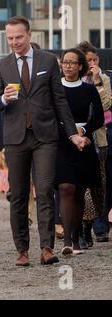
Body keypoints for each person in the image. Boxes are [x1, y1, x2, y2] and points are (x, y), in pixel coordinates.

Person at [0, 16, 88, 266]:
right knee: (19, 195)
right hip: (15, 138)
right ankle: (22, 250)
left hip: (45, 136)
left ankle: (47, 248)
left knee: (44, 191)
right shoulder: (1, 65)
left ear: (29, 35)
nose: (14, 42)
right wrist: (3, 99)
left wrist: (72, 133)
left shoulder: (47, 61)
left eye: (18, 37)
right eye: (10, 38)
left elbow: (59, 100)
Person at [57, 48, 104, 255]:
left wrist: (83, 131)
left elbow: (99, 118)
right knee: (66, 187)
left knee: (79, 192)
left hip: (84, 143)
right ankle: (67, 240)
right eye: (65, 62)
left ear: (80, 65)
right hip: (60, 143)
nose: (68, 66)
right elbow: (48, 114)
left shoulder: (88, 89)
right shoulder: (55, 88)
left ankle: (76, 239)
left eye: (72, 62)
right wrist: (68, 133)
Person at [77, 41, 112, 244]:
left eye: (94, 59)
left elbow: (106, 104)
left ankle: (90, 224)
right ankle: (82, 226)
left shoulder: (104, 79)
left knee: (98, 185)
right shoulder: (73, 80)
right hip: (77, 139)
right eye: (88, 60)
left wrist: (97, 82)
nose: (92, 63)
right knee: (81, 186)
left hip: (99, 139)